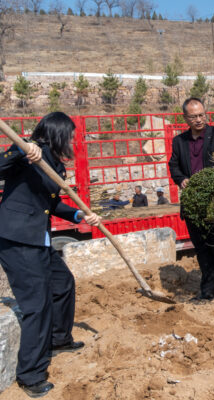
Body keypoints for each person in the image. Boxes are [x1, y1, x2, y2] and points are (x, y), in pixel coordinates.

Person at [0, 112, 101, 398]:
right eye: (69, 135)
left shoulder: (54, 163)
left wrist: (79, 214)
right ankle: (31, 375)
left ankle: (59, 339)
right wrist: (20, 148)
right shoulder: (27, 151)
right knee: (38, 303)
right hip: (17, 239)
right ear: (56, 133)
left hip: (39, 238)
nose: (72, 140)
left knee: (63, 283)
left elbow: (52, 202)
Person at [168, 97, 214, 302]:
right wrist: (182, 180)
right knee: (202, 249)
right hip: (193, 203)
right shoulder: (179, 141)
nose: (199, 120)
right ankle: (208, 291)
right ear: (185, 118)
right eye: (194, 116)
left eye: (201, 115)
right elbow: (174, 166)